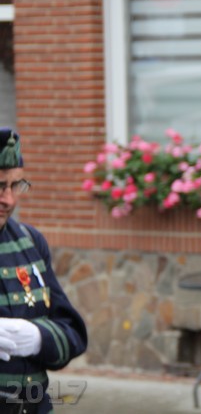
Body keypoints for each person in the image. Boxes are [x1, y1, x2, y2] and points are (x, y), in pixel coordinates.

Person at [0, 128, 88, 412]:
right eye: (0, 186)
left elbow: (72, 331)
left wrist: (39, 337)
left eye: (16, 185)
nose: (9, 200)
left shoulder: (30, 241)